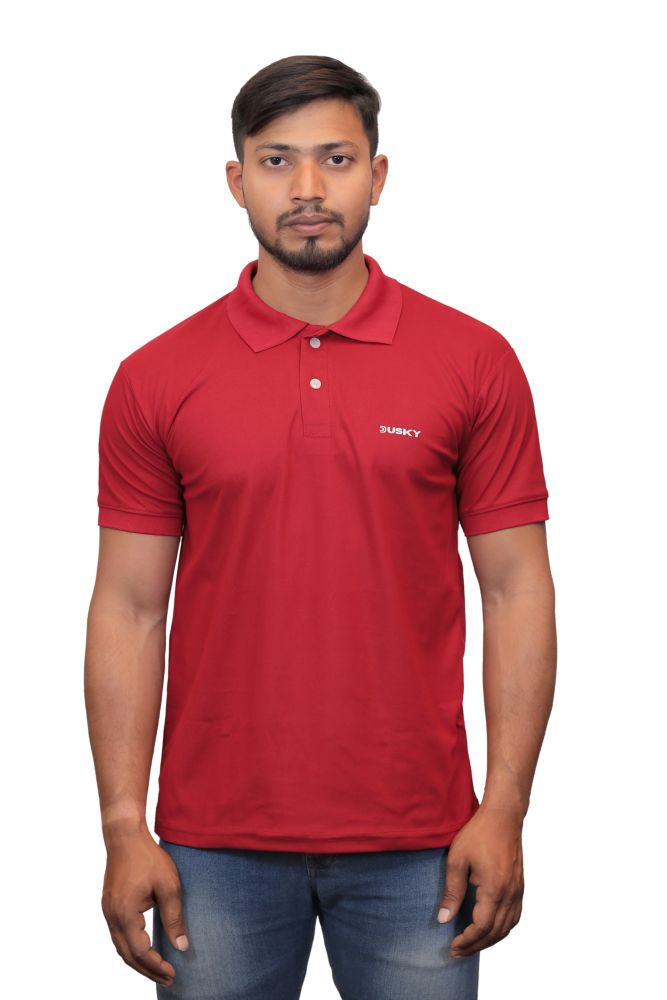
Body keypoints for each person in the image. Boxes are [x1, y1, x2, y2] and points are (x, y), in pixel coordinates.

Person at [85, 53, 557, 1000]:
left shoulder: (473, 360)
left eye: (335, 159)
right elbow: (129, 609)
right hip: (211, 844)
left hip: (423, 841)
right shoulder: (156, 376)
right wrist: (123, 826)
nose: (307, 188)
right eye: (277, 160)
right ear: (237, 181)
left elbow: (515, 590)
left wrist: (504, 808)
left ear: (376, 176)